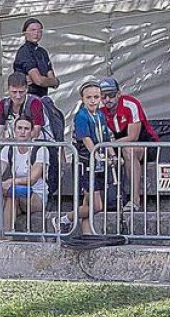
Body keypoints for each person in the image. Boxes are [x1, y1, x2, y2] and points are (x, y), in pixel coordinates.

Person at [61, 81, 113, 236]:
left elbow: (105, 137)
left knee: (88, 202)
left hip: (97, 164)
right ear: (82, 99)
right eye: (89, 97)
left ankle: (87, 234)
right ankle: (65, 219)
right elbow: (86, 139)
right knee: (96, 205)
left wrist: (113, 155)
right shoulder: (81, 116)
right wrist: (96, 154)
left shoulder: (100, 115)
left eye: (96, 97)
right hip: (84, 162)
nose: (93, 100)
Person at [98, 77, 158, 207]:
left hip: (146, 144)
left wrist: (109, 144)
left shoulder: (131, 104)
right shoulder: (100, 111)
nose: (107, 100)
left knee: (129, 150)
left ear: (119, 93)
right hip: (117, 146)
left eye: (111, 95)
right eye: (103, 96)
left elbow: (133, 137)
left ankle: (135, 199)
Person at [1, 115, 48, 228]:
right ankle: (0, 236)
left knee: (12, 195)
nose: (22, 132)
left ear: (31, 132)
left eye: (26, 129)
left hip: (37, 195)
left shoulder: (40, 149)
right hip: (16, 195)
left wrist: (12, 181)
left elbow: (32, 179)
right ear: (15, 130)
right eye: (19, 128)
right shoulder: (8, 149)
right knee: (6, 198)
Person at [12, 18, 59, 98]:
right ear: (25, 32)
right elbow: (39, 81)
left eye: (39, 31)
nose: (36, 33)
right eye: (32, 30)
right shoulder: (24, 52)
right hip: (28, 99)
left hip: (42, 97)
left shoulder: (42, 52)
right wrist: (50, 81)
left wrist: (54, 81)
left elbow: (52, 78)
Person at [0, 72, 45, 138]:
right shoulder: (3, 104)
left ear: (27, 89)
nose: (18, 96)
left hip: (36, 144)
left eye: (21, 92)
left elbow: (36, 133)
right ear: (8, 90)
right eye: (14, 92)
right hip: (15, 144)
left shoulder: (35, 103)